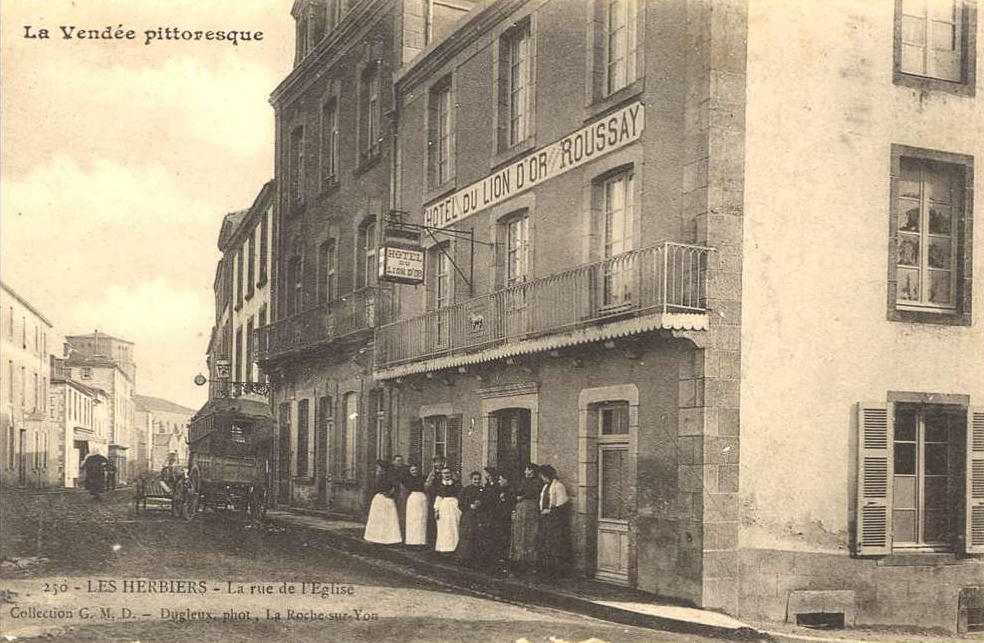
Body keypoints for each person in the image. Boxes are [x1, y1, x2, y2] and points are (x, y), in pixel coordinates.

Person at [535, 464, 573, 578]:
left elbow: (562, 505)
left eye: (543, 476)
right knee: (545, 545)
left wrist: (550, 511)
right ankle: (547, 569)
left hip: (556, 521)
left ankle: (557, 571)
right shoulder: (546, 486)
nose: (542, 478)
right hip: (546, 520)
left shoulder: (558, 486)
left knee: (555, 545)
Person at [510, 463, 543, 565]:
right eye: (526, 470)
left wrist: (523, 496)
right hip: (521, 509)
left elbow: (534, 493)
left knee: (530, 532)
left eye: (528, 470)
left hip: (531, 508)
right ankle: (519, 557)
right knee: (520, 531)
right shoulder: (523, 481)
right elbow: (516, 491)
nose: (526, 472)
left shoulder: (537, 482)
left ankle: (530, 558)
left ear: (533, 471)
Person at [363, 460, 402, 545]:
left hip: (387, 501)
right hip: (378, 500)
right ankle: (376, 538)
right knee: (377, 520)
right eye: (377, 468)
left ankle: (388, 539)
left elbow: (397, 488)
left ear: (384, 469)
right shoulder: (377, 477)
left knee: (387, 520)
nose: (377, 469)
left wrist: (391, 495)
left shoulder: (390, 477)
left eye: (379, 468)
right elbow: (373, 489)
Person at [456, 471, 486, 567]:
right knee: (467, 536)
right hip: (468, 516)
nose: (477, 481)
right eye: (475, 479)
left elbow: (488, 502)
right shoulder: (466, 490)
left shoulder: (483, 490)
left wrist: (481, 504)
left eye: (478, 479)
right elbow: (460, 503)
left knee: (478, 536)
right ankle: (465, 559)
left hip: (479, 516)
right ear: (471, 480)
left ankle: (476, 559)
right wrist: (469, 506)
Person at [488, 470, 514, 570]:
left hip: (506, 518)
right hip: (499, 518)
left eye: (500, 479)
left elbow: (510, 504)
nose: (499, 481)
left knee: (505, 537)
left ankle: (505, 558)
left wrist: (504, 500)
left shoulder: (510, 490)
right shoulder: (500, 489)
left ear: (506, 480)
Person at [432, 465, 461, 554]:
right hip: (444, 506)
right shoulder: (439, 485)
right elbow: (438, 497)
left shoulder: (456, 484)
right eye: (444, 473)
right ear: (442, 474)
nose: (447, 475)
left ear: (451, 474)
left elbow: (460, 496)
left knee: (454, 526)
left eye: (448, 473)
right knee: (444, 527)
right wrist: (436, 510)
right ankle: (445, 547)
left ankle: (455, 546)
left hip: (454, 506)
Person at [403, 463, 428, 546]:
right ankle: (411, 542)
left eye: (415, 470)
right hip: (413, 499)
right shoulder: (407, 480)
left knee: (421, 519)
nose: (414, 472)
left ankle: (421, 541)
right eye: (412, 470)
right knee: (412, 520)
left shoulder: (423, 478)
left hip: (421, 498)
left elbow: (426, 486)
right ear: (409, 471)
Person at [424, 455, 447, 546]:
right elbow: (426, 486)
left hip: (444, 498)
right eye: (436, 462)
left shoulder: (447, 472)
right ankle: (432, 542)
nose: (439, 464)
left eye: (441, 462)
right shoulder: (432, 474)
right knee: (432, 519)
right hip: (434, 498)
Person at [391, 454, 409, 538]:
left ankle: (403, 533)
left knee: (402, 512)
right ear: (393, 462)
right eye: (398, 461)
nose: (399, 462)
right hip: (393, 493)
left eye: (401, 461)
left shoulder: (405, 470)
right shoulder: (391, 471)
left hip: (403, 493)